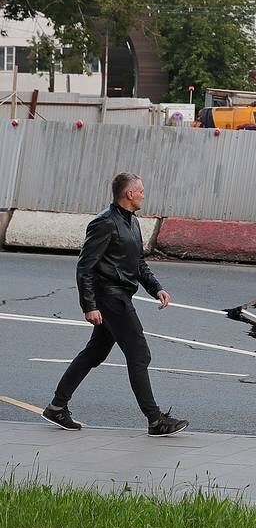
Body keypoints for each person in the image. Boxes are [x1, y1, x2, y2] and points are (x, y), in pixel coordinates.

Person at [43, 173, 189, 437]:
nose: (144, 194)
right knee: (139, 354)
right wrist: (90, 305)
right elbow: (85, 267)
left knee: (95, 353)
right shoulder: (104, 223)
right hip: (110, 298)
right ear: (129, 194)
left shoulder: (132, 222)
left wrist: (157, 288)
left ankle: (57, 406)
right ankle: (156, 421)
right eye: (141, 190)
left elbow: (138, 264)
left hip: (120, 295)